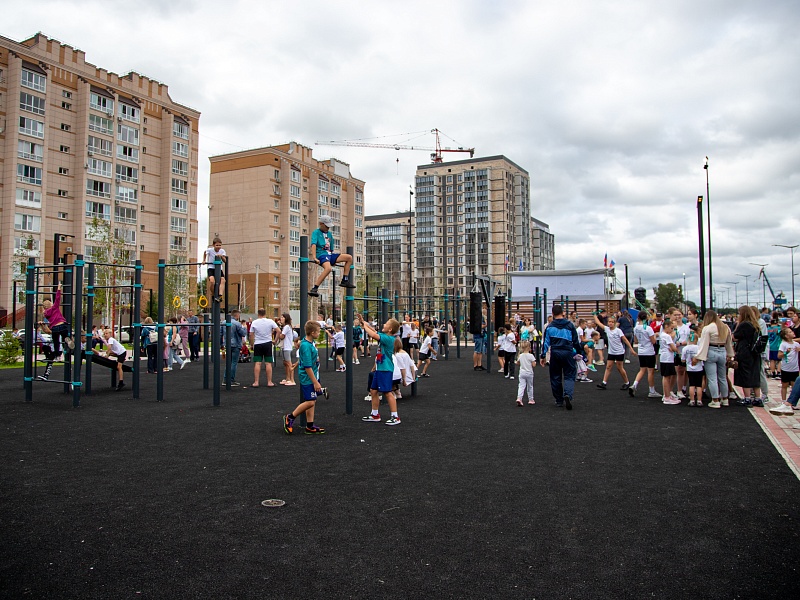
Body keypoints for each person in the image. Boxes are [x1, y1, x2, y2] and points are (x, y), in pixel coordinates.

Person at [283, 321, 327, 435]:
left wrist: (296, 364)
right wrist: (315, 382)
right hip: (308, 377)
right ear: (312, 333)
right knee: (310, 402)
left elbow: (305, 359)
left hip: (313, 375)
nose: (319, 333)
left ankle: (310, 425)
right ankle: (290, 417)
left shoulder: (309, 342)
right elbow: (307, 367)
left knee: (312, 400)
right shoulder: (306, 346)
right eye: (318, 332)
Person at [359, 314, 401, 425]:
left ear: (390, 329)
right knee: (373, 391)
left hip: (385, 369)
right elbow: (374, 331)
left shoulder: (388, 339)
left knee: (387, 392)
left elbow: (372, 334)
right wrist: (364, 322)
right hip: (380, 369)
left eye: (386, 324)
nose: (384, 324)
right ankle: (375, 414)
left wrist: (365, 326)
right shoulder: (385, 336)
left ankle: (395, 416)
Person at [539, 304, 582, 410]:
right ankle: (567, 394)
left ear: (552, 314)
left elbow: (546, 343)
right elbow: (576, 341)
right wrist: (579, 352)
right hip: (568, 352)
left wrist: (543, 356)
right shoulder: (570, 325)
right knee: (569, 375)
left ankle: (559, 400)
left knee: (555, 376)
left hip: (555, 352)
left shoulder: (549, 327)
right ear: (562, 313)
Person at [695, 310, 735, 409]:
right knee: (723, 377)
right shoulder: (725, 327)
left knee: (712, 378)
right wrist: (730, 354)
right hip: (723, 351)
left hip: (711, 351)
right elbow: (729, 343)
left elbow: (704, 344)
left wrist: (698, 357)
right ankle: (725, 399)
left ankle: (715, 400)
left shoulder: (707, 328)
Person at [307, 215, 355, 297]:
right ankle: (314, 288)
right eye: (326, 226)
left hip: (329, 254)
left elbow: (331, 247)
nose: (328, 228)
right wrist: (314, 257)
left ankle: (345, 280)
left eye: (329, 226)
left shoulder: (329, 234)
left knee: (349, 257)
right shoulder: (316, 232)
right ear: (321, 224)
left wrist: (333, 260)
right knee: (328, 269)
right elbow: (313, 245)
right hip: (321, 254)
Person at [594, 315, 634, 391]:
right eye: (609, 322)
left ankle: (627, 382)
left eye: (612, 322)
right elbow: (598, 322)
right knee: (608, 367)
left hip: (619, 352)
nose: (610, 323)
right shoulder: (607, 329)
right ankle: (604, 383)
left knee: (620, 368)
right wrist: (594, 315)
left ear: (614, 323)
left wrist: (631, 349)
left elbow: (625, 340)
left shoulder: (618, 331)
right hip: (611, 352)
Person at [732, 305, 763, 405]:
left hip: (745, 352)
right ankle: (758, 398)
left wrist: (737, 324)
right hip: (755, 353)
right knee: (755, 374)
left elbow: (734, 337)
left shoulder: (744, 325)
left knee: (745, 374)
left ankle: (747, 398)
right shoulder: (755, 325)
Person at [628, 311, 660, 398]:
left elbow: (635, 341)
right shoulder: (648, 328)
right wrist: (655, 336)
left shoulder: (636, 328)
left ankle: (634, 385)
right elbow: (653, 341)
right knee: (650, 371)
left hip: (641, 351)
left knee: (642, 370)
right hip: (649, 351)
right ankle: (652, 391)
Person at [41, 282, 73, 361]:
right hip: (61, 324)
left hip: (54, 328)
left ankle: (57, 356)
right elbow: (57, 298)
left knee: (56, 342)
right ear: (50, 305)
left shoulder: (45, 314)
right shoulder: (54, 307)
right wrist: (59, 288)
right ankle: (67, 339)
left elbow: (44, 313)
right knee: (65, 336)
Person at [250, 308, 279, 387]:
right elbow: (278, 331)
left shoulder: (254, 322)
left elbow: (251, 334)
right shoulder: (270, 321)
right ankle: (269, 382)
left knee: (257, 363)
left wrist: (252, 344)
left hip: (258, 343)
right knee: (268, 363)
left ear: (258, 314)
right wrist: (275, 340)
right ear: (265, 313)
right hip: (267, 343)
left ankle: (256, 382)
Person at [658, 320, 681, 404]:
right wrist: (676, 349)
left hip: (665, 357)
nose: (672, 330)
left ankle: (667, 395)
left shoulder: (662, 335)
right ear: (666, 326)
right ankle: (667, 397)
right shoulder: (667, 336)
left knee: (667, 376)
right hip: (667, 358)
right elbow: (673, 348)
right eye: (671, 328)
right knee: (667, 377)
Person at [776, 327, 799, 404]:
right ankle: (783, 401)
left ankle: (792, 402)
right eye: (790, 332)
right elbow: (779, 355)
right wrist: (786, 352)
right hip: (786, 368)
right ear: (786, 336)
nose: (792, 332)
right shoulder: (783, 344)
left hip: (795, 368)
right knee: (784, 385)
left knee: (794, 385)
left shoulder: (796, 344)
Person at [682, 326, 704, 406]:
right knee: (699, 385)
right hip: (699, 368)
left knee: (691, 384)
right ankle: (699, 400)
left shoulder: (685, 348)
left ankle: (692, 400)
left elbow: (683, 359)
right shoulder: (699, 348)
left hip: (690, 369)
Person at [225, 309, 247, 387]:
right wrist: (245, 328)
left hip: (227, 344)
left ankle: (225, 379)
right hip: (235, 344)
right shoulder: (237, 324)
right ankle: (231, 380)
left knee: (228, 362)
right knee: (234, 362)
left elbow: (220, 334)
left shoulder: (224, 322)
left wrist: (222, 344)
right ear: (237, 315)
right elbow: (243, 334)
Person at [205, 237, 227, 303]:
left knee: (223, 280)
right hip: (211, 268)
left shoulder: (222, 251)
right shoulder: (210, 250)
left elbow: (225, 261)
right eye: (217, 245)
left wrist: (221, 256)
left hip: (219, 268)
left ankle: (220, 295)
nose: (218, 247)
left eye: (220, 245)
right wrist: (204, 260)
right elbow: (205, 252)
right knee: (212, 281)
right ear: (213, 245)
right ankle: (213, 294)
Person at [278, 313, 297, 386]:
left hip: (287, 347)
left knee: (289, 364)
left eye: (283, 317)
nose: (281, 319)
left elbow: (282, 336)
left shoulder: (286, 327)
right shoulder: (287, 327)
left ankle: (292, 380)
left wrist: (279, 333)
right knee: (285, 363)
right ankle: (287, 378)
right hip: (285, 347)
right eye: (281, 317)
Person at [515, 340, 536, 406]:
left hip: (522, 373)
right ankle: (531, 399)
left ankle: (519, 398)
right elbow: (534, 365)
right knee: (530, 386)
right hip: (529, 373)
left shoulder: (520, 355)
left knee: (521, 386)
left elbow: (518, 363)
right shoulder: (531, 356)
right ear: (529, 347)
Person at [768, 313, 783, 379]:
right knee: (779, 360)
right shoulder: (778, 328)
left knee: (772, 360)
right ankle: (778, 372)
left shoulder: (768, 329)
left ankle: (773, 373)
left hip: (770, 346)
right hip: (777, 346)